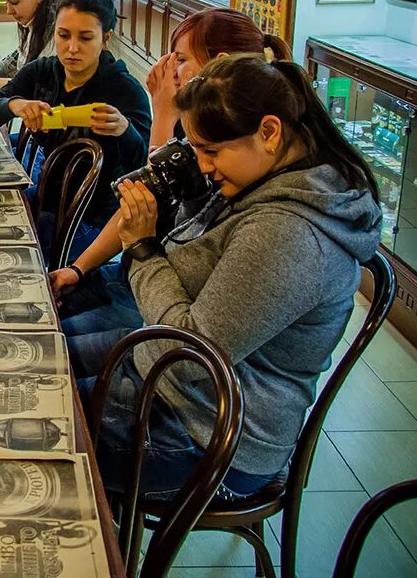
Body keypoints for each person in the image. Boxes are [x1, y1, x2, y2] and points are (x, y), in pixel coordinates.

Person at [61, 54, 382, 502]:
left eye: (210, 152)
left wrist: (142, 248)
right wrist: (186, 201)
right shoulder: (267, 178)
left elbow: (184, 354)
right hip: (175, 376)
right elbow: (185, 279)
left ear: (269, 132)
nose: (205, 165)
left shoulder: (287, 233)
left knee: (43, 426)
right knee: (42, 365)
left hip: (216, 434)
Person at [53, 9, 293, 307]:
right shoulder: (205, 131)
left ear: (218, 65)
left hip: (163, 294)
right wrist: (79, 268)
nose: (169, 70)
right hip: (147, 277)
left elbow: (148, 194)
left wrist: (163, 117)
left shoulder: (240, 150)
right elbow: (141, 201)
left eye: (180, 59)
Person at [0, 0, 150, 256]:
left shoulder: (124, 90)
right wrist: (14, 104)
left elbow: (144, 165)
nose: (72, 48)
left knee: (19, 256)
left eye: (86, 38)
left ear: (106, 38)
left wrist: (125, 130)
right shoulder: (43, 72)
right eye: (63, 35)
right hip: (46, 198)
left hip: (92, 218)